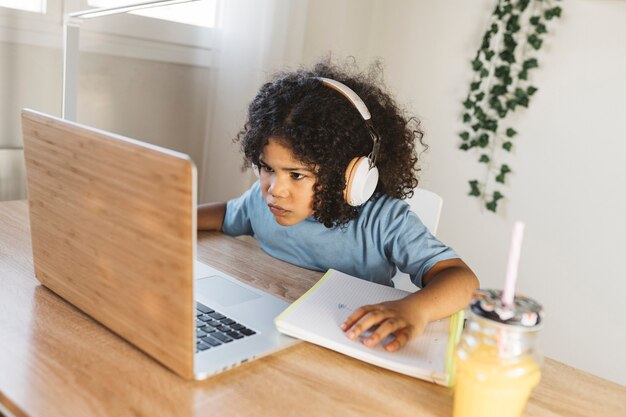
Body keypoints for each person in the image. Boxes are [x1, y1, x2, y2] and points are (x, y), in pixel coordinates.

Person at [198, 60, 479, 353]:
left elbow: (462, 280)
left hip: (348, 341)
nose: (275, 190)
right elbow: (225, 215)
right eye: (267, 168)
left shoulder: (383, 221)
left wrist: (414, 310)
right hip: (271, 329)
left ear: (351, 177)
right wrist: (168, 216)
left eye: (296, 175)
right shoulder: (260, 200)